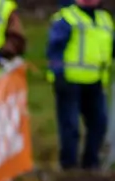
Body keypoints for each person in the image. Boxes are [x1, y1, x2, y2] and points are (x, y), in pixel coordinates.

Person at [47, 0, 113, 170]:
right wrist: (58, 74)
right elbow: (54, 49)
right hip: (70, 82)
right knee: (70, 126)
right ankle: (69, 167)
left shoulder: (105, 19)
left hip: (96, 82)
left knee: (99, 124)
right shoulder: (67, 18)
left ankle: (91, 164)